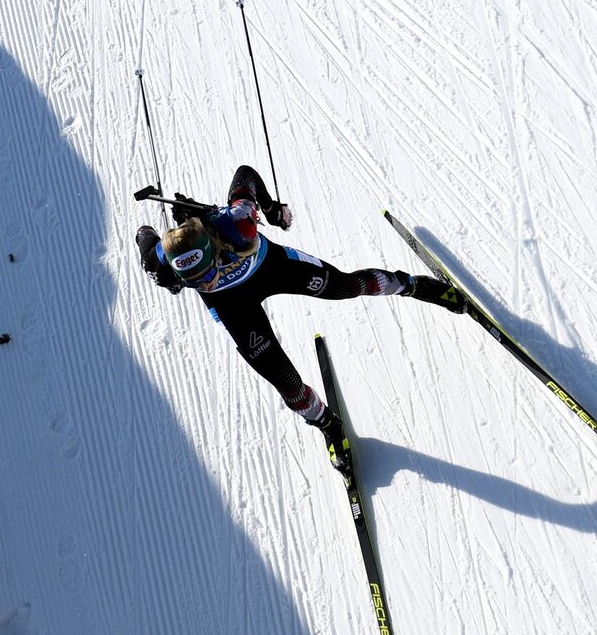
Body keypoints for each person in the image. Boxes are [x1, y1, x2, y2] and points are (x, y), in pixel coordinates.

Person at [134, 165, 465, 473]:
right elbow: (144, 238)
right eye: (194, 283)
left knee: (348, 286)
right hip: (235, 306)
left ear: (212, 250)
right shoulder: (162, 264)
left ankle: (411, 285)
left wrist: (271, 208)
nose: (203, 284)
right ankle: (328, 426)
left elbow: (245, 174)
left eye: (206, 273)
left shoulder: (238, 224)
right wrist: (147, 235)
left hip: (273, 268)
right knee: (285, 381)